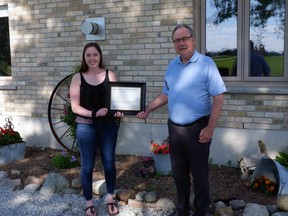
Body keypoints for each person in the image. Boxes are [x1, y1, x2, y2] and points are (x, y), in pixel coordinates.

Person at [137, 24, 227, 216]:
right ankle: (182, 209)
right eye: (177, 40)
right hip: (175, 130)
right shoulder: (172, 66)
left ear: (193, 40)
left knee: (200, 175)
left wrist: (210, 129)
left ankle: (201, 211)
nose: (181, 43)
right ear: (174, 44)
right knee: (179, 175)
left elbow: (218, 97)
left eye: (185, 38)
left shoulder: (206, 63)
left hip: (198, 129)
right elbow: (166, 94)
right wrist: (147, 109)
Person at [70, 42, 123, 216]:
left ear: (100, 56)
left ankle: (110, 197)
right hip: (86, 127)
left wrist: (119, 111)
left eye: (95, 54)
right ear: (84, 58)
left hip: (108, 127)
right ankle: (89, 202)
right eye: (88, 55)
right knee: (87, 166)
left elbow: (117, 102)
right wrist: (94, 113)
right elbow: (75, 107)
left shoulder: (110, 75)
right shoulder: (78, 77)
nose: (92, 58)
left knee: (109, 163)